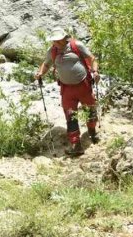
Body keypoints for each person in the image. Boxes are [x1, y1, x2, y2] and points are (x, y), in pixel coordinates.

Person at [34, 28, 100, 157]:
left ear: (65, 38)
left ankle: (92, 131)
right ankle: (76, 144)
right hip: (66, 89)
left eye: (58, 40)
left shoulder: (77, 45)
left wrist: (95, 71)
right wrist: (40, 73)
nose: (55, 43)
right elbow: (46, 64)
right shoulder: (52, 51)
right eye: (54, 41)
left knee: (90, 110)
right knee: (70, 115)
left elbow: (92, 59)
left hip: (84, 85)